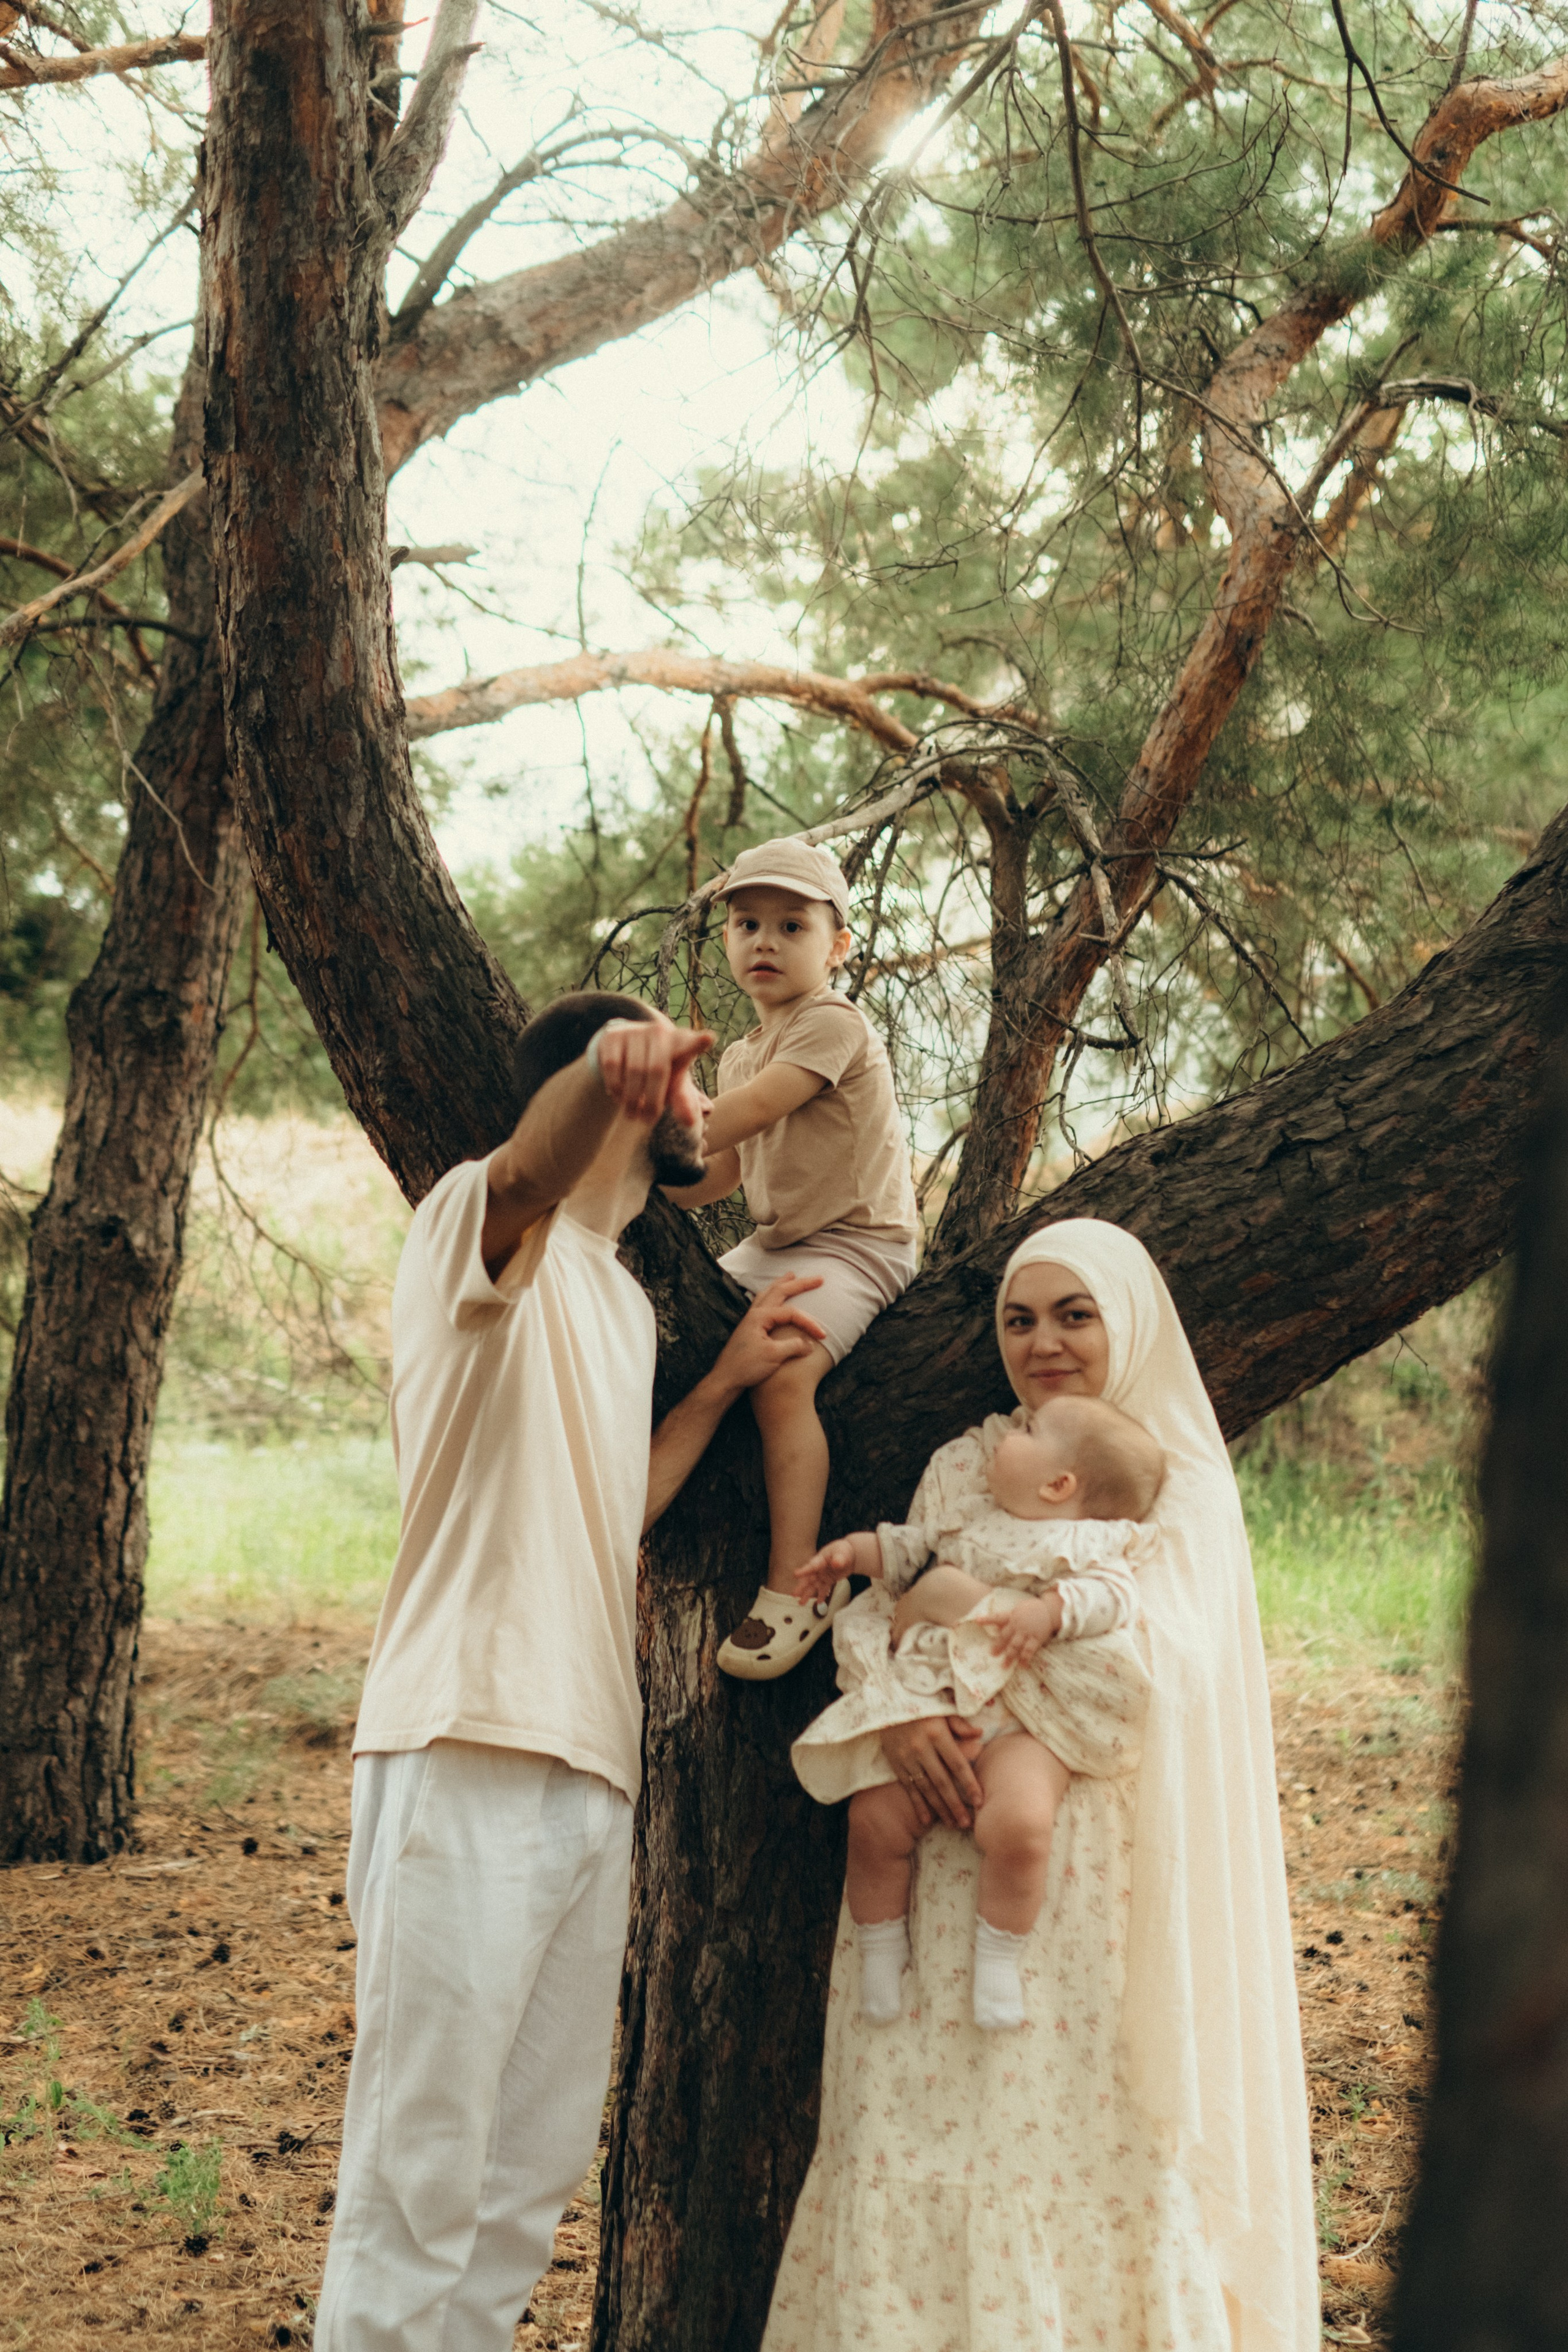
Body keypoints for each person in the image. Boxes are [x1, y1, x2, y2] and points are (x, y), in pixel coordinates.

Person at [315, 991, 826, 2352]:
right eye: (681, 1073)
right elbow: (532, 1171)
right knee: (418, 2175)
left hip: (592, 1774)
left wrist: (715, 1388)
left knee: (520, 2192)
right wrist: (604, 1075)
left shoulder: (617, 1302)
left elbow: (612, 1520)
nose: (707, 1104)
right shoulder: (470, 1226)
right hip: (460, 1739)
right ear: (622, 1092)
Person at [761, 1221, 1319, 2352]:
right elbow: (882, 1604)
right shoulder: (966, 1464)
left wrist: (961, 1608)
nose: (1043, 1342)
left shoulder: (1173, 1494)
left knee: (1067, 2143)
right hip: (922, 1867)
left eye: (1075, 1314)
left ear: (1129, 1323)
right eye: (1021, 1318)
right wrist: (907, 1709)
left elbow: (1134, 1680)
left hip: (1073, 1869)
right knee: (910, 2129)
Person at [790, 1393, 1164, 2029]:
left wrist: (1050, 1612)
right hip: (938, 1700)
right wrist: (851, 1555)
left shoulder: (1090, 1543)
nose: (1006, 1434)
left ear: (1058, 1484)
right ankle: (882, 1947)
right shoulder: (969, 1516)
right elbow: (905, 1551)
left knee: (1019, 1826)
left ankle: (997, 1955)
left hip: (1024, 1726)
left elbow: (1113, 1597)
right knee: (874, 1820)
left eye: (1029, 1431)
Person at [664, 836, 919, 1681]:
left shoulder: (831, 1024)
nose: (764, 941)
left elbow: (753, 1112)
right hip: (777, 1244)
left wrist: (645, 1134)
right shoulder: (739, 1055)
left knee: (783, 1373)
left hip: (858, 1243)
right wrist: (646, 1184)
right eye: (746, 924)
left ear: (836, 947)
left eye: (791, 925)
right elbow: (717, 1174)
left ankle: (797, 1582)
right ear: (727, 941)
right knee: (663, 1328)